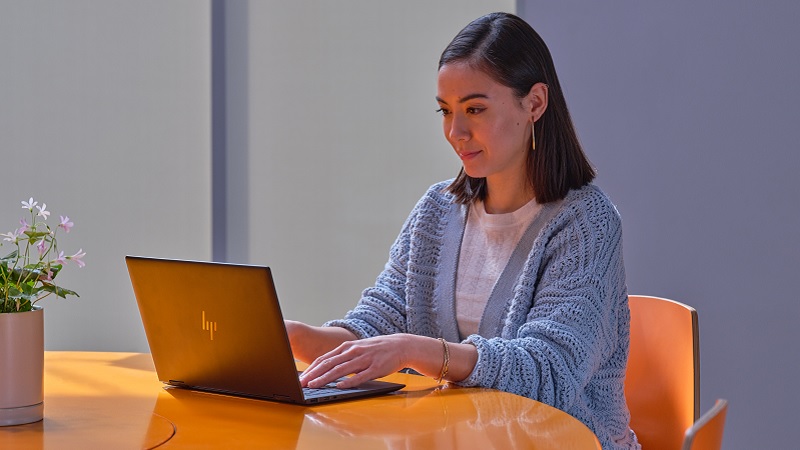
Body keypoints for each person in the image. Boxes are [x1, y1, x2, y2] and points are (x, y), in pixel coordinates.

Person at [286, 12, 639, 449]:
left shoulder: (585, 222)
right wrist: (295, 338)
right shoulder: (437, 211)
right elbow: (377, 326)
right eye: (446, 110)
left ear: (534, 103)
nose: (456, 132)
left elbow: (551, 373)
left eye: (475, 109)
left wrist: (417, 350)